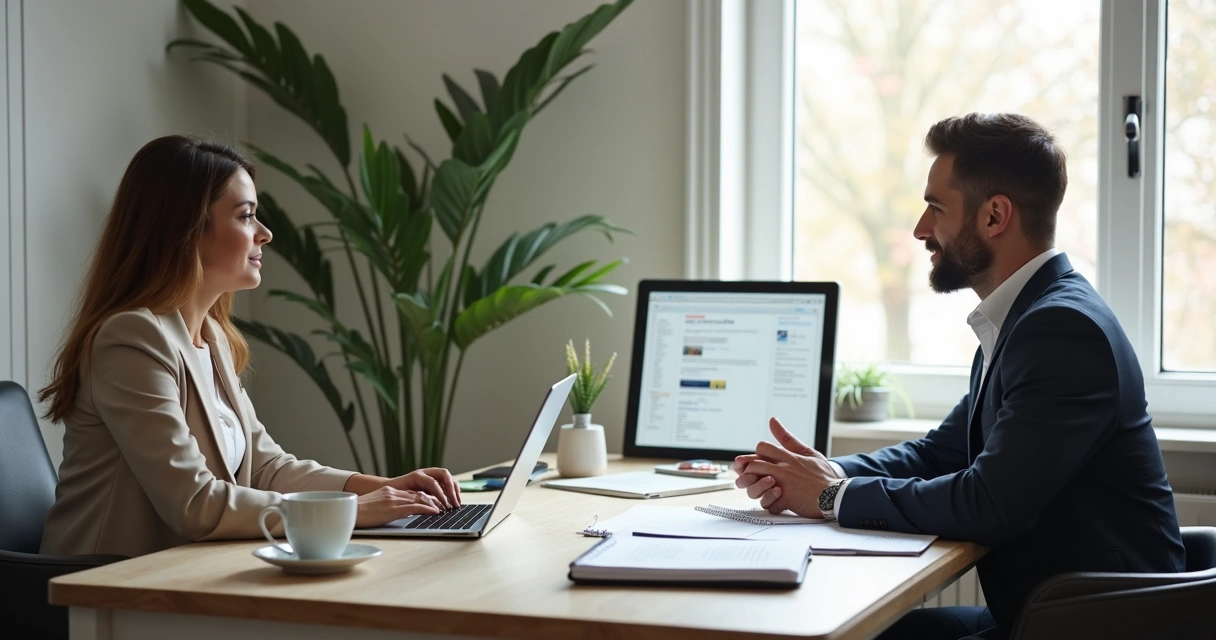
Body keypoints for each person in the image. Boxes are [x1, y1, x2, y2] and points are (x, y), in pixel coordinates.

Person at [734, 113, 1185, 639]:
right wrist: (816, 471)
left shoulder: (1060, 329)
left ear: (995, 215)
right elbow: (941, 452)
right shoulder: (1022, 318)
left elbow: (989, 503)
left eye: (936, 206)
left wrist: (833, 496)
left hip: (1094, 623)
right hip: (1051, 613)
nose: (921, 229)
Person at [39, 136, 460, 558]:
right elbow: (194, 503)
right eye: (246, 216)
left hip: (180, 575)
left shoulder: (212, 337)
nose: (265, 233)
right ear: (187, 231)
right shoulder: (131, 340)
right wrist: (351, 511)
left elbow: (265, 468)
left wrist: (385, 488)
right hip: (98, 591)